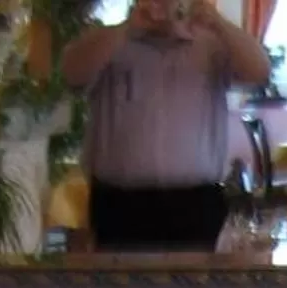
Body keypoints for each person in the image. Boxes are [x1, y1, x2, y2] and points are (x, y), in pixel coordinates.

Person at [60, 0, 271, 251]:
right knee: (122, 287)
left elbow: (260, 72)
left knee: (192, 287)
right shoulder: (110, 43)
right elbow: (71, 73)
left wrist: (218, 22)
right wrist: (127, 27)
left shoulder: (211, 46)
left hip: (195, 203)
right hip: (120, 205)